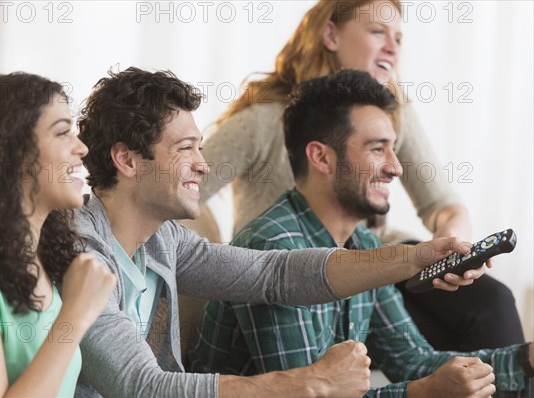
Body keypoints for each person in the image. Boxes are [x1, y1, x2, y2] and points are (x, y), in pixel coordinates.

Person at [71, 66, 485, 398]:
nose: (204, 164)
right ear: (127, 160)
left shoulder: (165, 242)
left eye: (199, 147)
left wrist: (415, 257)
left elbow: (276, 275)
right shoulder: (81, 251)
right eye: (185, 149)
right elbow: (143, 387)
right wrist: (310, 384)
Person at [195, 0, 524, 351]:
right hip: (292, 268)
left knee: (490, 304)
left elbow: (444, 205)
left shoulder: (393, 112)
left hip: (372, 260)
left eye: (398, 38)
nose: (392, 47)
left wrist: (451, 251)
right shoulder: (259, 121)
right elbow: (178, 189)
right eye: (377, 31)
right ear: (331, 34)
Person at [188, 70, 533, 398]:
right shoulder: (271, 246)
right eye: (377, 148)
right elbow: (310, 393)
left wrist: (525, 360)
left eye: (393, 148)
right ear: (321, 157)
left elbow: (412, 360)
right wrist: (422, 392)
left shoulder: (366, 245)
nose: (396, 166)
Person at [0, 73, 116, 398]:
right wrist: (74, 317)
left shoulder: (40, 257)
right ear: (10, 154)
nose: (82, 148)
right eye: (62, 132)